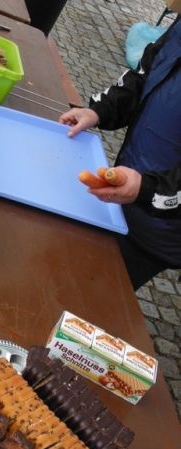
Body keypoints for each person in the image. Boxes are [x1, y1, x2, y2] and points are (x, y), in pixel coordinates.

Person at [59, 16, 181, 290]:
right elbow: (145, 76)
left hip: (158, 229)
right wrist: (100, 110)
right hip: (117, 197)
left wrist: (147, 189)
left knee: (93, 294)